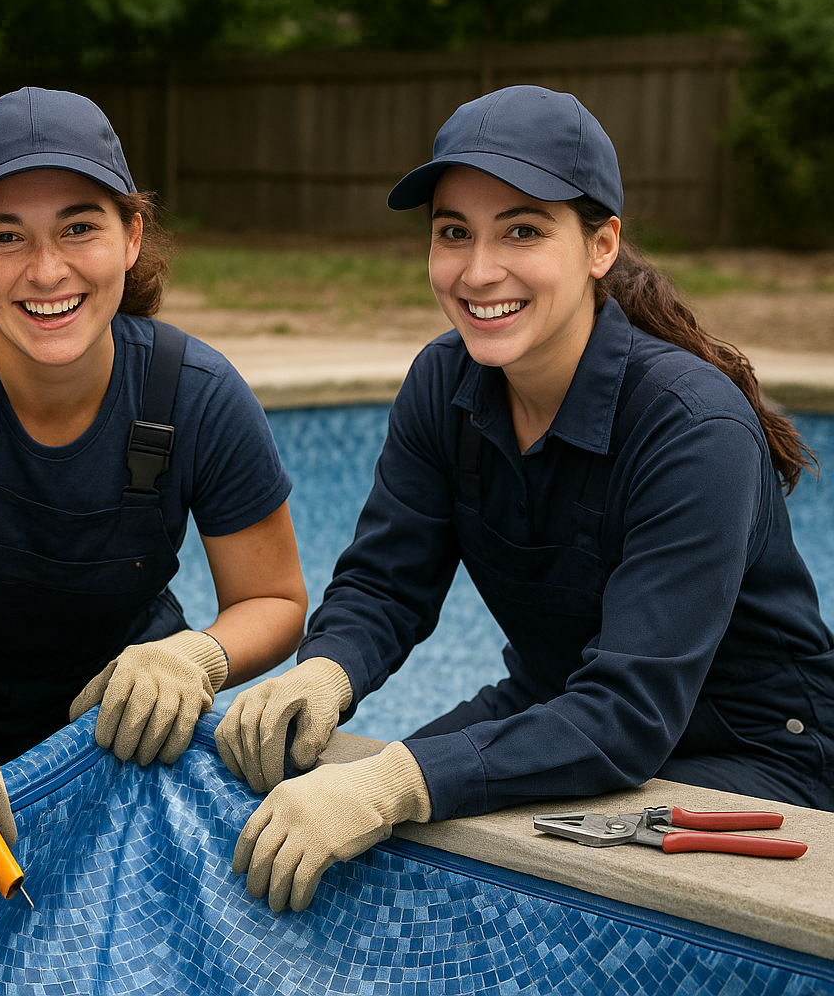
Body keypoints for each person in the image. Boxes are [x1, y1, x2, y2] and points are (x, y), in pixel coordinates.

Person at [216, 85, 834, 914]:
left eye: (523, 230)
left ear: (600, 244)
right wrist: (328, 671)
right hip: (556, 707)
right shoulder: (445, 380)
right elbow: (386, 583)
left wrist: (395, 781)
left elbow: (627, 714)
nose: (479, 271)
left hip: (754, 757)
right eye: (453, 234)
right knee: (333, 857)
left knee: (473, 877)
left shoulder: (694, 429)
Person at [0, 87, 308, 894]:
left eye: (80, 227)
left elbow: (275, 599)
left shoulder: (197, 394)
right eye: (7, 237)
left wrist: (195, 657)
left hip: (104, 740)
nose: (47, 271)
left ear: (132, 236)